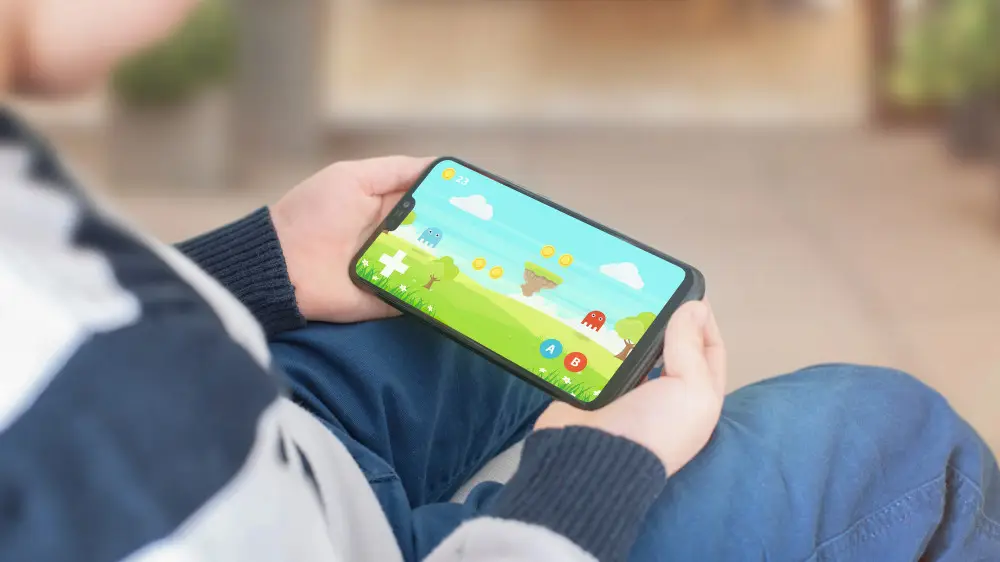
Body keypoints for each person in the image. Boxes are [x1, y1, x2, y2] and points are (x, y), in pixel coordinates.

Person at [1, 1, 997, 561]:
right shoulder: (94, 446)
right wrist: (585, 481)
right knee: (892, 439)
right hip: (309, 528)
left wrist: (256, 266)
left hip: (256, 435)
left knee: (522, 323)